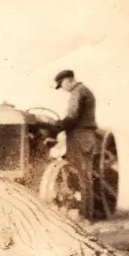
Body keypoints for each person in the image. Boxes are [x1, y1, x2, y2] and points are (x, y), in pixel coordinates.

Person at [53, 69, 98, 221]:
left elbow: (72, 117)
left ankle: (83, 216)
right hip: (87, 136)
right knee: (85, 176)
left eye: (62, 85)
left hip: (79, 136)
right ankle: (87, 215)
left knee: (78, 175)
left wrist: (56, 127)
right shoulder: (85, 91)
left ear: (68, 81)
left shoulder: (77, 92)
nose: (63, 89)